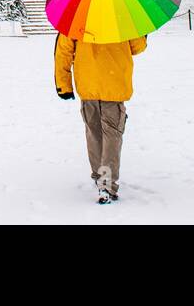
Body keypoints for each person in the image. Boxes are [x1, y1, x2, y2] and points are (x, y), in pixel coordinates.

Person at [54, 32, 147, 204]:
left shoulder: (77, 19)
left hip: (88, 85)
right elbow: (137, 47)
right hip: (114, 86)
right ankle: (106, 183)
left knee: (94, 133)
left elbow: (63, 52)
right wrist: (142, 33)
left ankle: (99, 174)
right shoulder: (122, 18)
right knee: (112, 135)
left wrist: (63, 85)